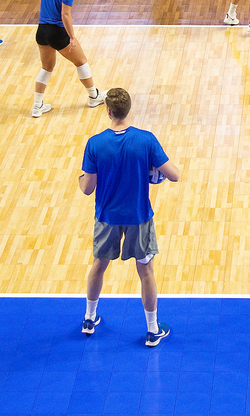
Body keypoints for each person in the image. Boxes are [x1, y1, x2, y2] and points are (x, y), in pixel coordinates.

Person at [78, 87, 181, 343]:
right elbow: (174, 175)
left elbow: (87, 188)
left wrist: (81, 178)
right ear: (128, 109)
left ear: (108, 111)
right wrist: (152, 172)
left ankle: (89, 319)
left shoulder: (95, 144)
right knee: (146, 271)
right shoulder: (146, 140)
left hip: (106, 217)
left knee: (99, 266)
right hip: (138, 217)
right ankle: (153, 329)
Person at [33, 0, 105, 118]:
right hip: (57, 32)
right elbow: (65, 15)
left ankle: (37, 106)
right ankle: (94, 97)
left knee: (47, 68)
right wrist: (71, 37)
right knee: (81, 62)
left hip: (42, 31)